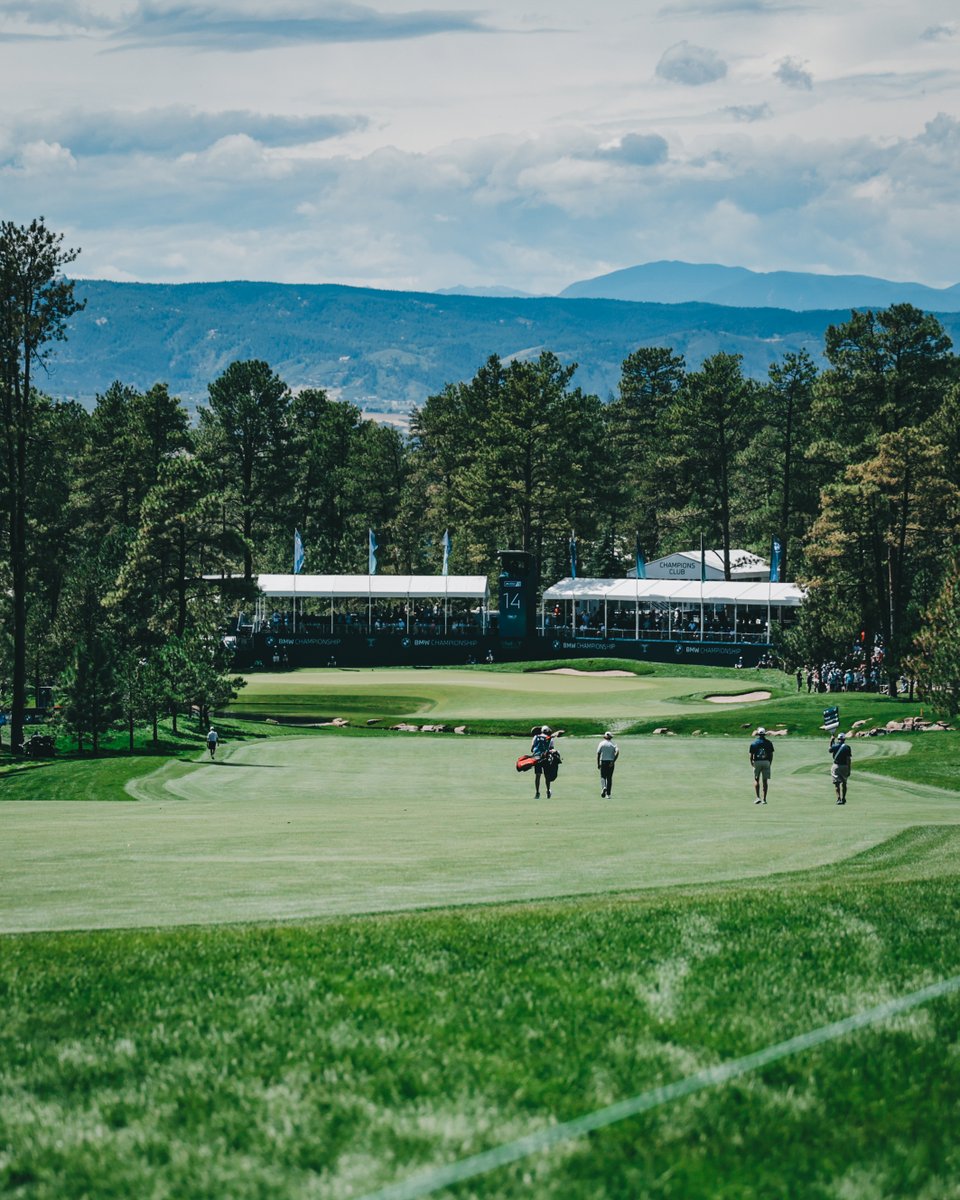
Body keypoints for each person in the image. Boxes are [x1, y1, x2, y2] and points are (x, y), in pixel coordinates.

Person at [749, 726, 774, 804]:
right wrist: (770, 762)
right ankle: (764, 799)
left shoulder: (754, 743)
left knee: (756, 779)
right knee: (765, 781)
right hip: (766, 762)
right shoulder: (769, 743)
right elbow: (771, 754)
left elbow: (751, 755)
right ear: (764, 734)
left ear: (758, 734)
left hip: (757, 762)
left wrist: (751, 763)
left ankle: (758, 798)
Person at [530, 724, 555, 799]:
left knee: (538, 775)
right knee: (547, 776)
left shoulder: (536, 737)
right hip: (545, 758)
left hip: (537, 758)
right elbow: (551, 749)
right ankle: (548, 791)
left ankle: (537, 793)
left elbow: (532, 749)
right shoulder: (550, 738)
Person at [829, 731, 852, 804]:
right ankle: (844, 798)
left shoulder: (835, 746)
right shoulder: (847, 747)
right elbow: (848, 759)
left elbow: (830, 750)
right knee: (844, 783)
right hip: (845, 766)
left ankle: (838, 799)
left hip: (836, 766)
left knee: (837, 783)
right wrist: (849, 769)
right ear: (844, 739)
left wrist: (831, 741)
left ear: (838, 739)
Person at [596, 731, 619, 798]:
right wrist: (613, 761)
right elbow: (617, 752)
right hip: (610, 762)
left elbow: (598, 754)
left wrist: (598, 763)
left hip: (603, 762)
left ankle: (604, 787)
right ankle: (608, 794)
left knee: (603, 776)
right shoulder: (613, 744)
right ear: (611, 737)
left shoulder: (601, 743)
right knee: (609, 778)